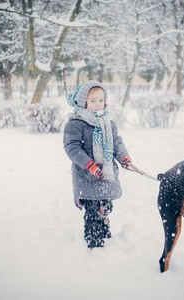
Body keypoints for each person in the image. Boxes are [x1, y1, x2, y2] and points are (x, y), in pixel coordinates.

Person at [63, 80, 132, 249]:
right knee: (93, 209)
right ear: (83, 102)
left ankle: (105, 231)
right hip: (87, 176)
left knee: (106, 206)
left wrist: (124, 157)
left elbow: (116, 142)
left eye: (100, 100)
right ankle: (94, 243)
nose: (97, 104)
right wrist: (89, 165)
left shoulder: (108, 122)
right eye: (93, 100)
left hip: (106, 174)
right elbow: (72, 147)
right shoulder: (75, 123)